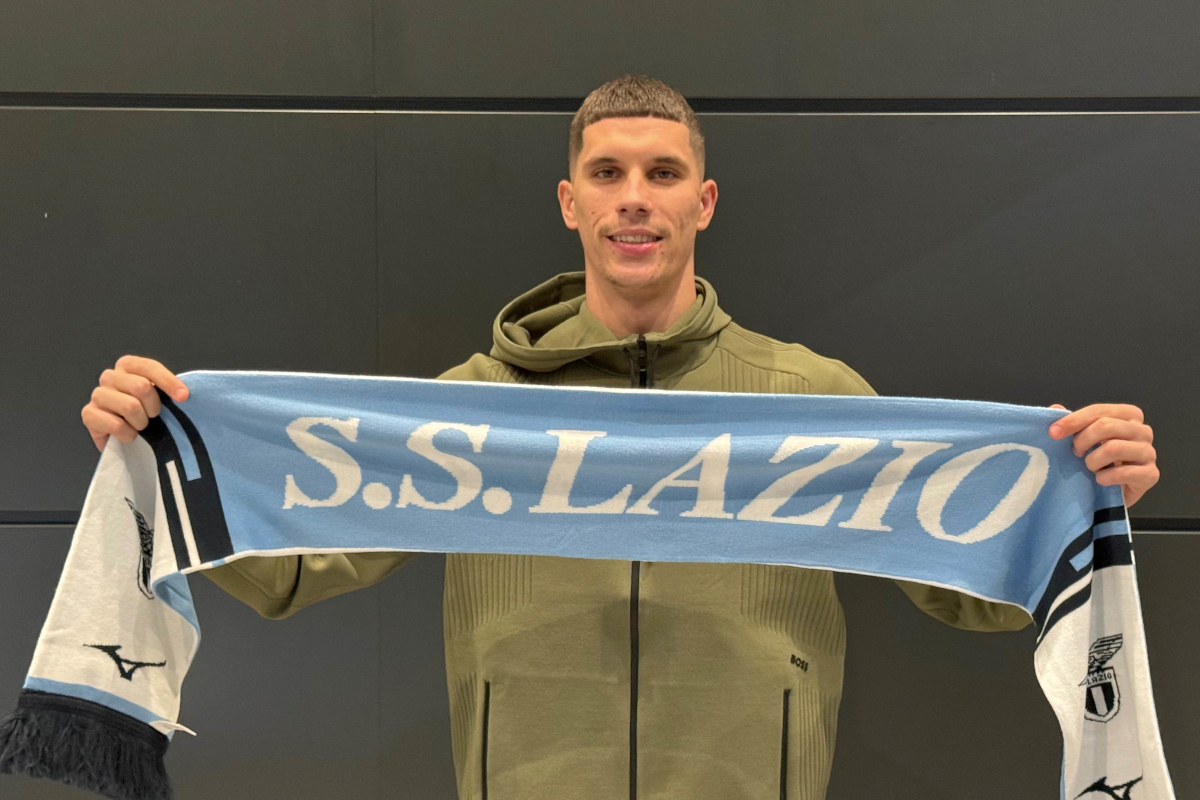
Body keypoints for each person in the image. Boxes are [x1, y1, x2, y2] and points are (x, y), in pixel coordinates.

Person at [79, 76, 1159, 800]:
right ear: (569, 203)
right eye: (607, 173)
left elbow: (965, 581)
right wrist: (158, 452)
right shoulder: (471, 402)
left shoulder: (812, 396)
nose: (634, 199)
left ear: (704, 200)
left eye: (661, 173)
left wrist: (1086, 491)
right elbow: (298, 565)